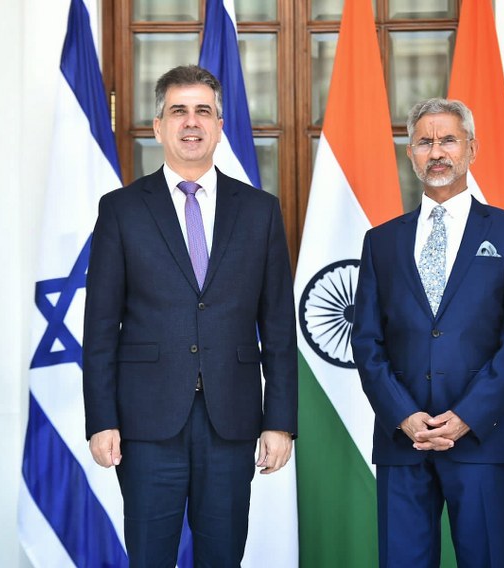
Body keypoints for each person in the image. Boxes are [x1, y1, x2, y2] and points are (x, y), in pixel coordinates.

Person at [82, 64, 297, 567]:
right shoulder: (121, 209)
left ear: (220, 125)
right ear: (158, 126)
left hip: (233, 420)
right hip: (144, 423)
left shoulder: (261, 210)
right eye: (178, 111)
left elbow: (280, 328)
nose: (192, 122)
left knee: (222, 557)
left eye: (203, 111)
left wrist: (280, 422)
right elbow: (99, 327)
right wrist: (101, 418)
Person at [351, 98, 504, 568]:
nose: (437, 151)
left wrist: (467, 416)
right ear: (411, 154)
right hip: (402, 442)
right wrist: (403, 415)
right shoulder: (381, 241)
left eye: (448, 139)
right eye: (424, 141)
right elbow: (367, 341)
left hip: (480, 439)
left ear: (471, 149)